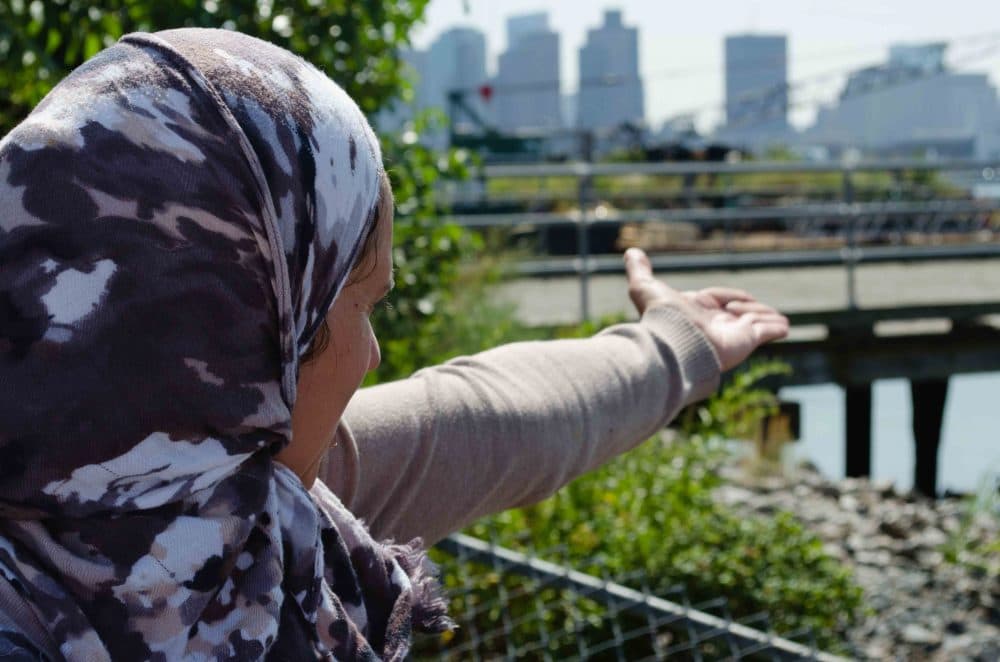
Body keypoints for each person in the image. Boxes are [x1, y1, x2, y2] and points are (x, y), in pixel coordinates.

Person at [0, 28, 787, 661]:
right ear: (253, 334)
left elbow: (483, 421)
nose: (372, 355)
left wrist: (678, 345)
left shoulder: (230, 503)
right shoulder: (252, 530)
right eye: (361, 304)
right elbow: (476, 424)